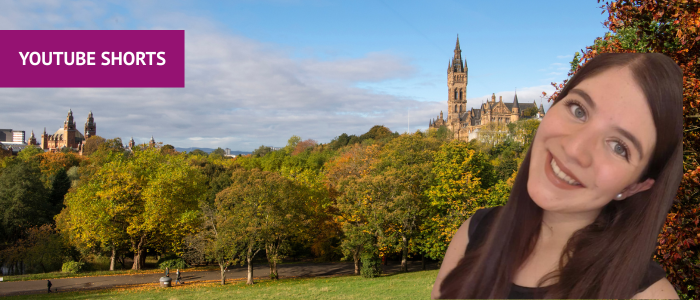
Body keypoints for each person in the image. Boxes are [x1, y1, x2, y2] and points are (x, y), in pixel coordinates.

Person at [432, 53, 683, 299]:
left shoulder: (649, 294)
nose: (574, 149)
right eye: (579, 110)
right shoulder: (475, 231)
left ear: (636, 186)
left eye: (619, 147)